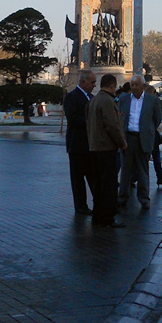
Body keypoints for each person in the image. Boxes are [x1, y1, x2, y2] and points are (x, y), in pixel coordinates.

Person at [86, 73, 127, 227]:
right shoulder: (108, 101)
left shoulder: (93, 100)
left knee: (98, 185)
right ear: (112, 86)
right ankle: (107, 217)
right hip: (107, 148)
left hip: (94, 148)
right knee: (109, 185)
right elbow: (112, 126)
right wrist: (122, 142)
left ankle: (97, 216)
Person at [118, 75, 162, 210]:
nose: (134, 87)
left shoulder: (152, 100)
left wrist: (147, 130)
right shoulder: (124, 99)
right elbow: (120, 117)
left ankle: (144, 199)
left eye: (137, 85)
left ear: (143, 86)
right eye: (132, 85)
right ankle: (122, 197)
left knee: (143, 171)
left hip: (143, 139)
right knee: (125, 170)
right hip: (128, 138)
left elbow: (157, 119)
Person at [63, 70, 96, 216]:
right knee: (78, 179)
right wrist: (92, 123)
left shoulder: (92, 98)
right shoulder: (72, 97)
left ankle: (99, 203)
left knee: (93, 176)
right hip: (77, 144)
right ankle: (81, 206)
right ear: (83, 82)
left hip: (91, 145)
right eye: (92, 82)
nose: (94, 85)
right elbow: (73, 118)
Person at [146, 84, 162, 188]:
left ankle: (133, 178)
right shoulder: (154, 101)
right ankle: (160, 179)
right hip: (152, 134)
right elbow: (158, 119)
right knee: (156, 158)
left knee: (142, 160)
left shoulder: (142, 101)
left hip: (143, 134)